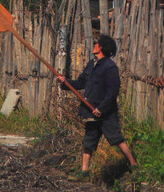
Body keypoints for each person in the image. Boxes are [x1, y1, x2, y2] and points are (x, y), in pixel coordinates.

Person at [57, 34, 136, 180]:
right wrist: (65, 82)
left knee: (116, 138)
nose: (94, 45)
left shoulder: (110, 67)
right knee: (89, 140)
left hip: (106, 112)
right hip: (90, 110)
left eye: (96, 44)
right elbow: (80, 83)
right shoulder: (92, 64)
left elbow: (112, 91)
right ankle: (84, 172)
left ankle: (133, 165)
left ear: (101, 47)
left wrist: (101, 108)